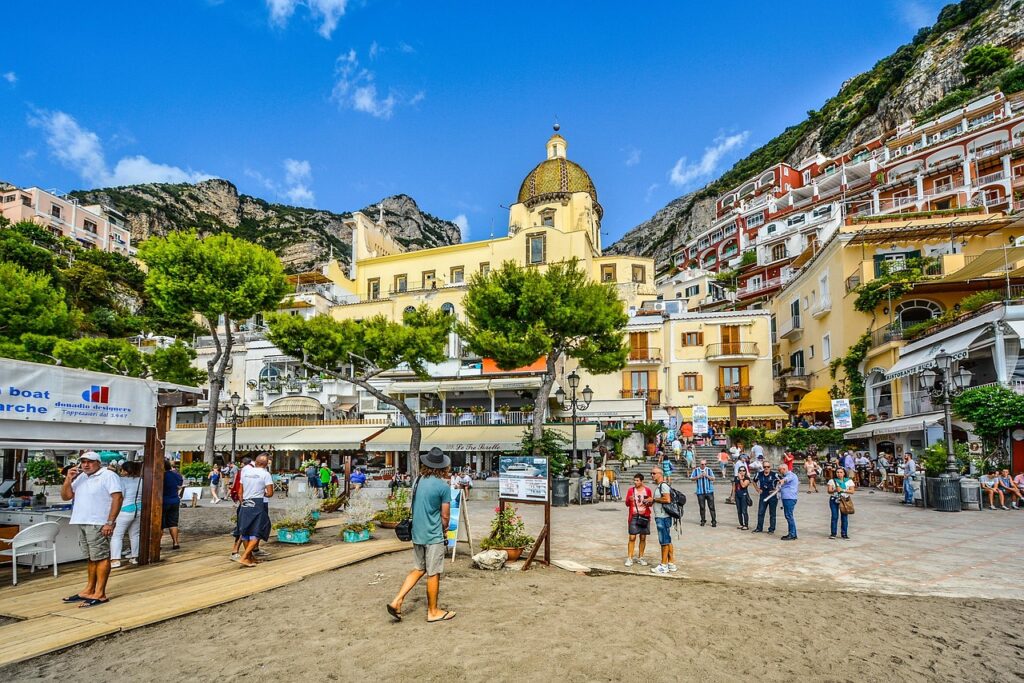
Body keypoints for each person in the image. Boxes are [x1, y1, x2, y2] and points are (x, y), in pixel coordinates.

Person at [388, 447, 455, 623]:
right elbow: (445, 516)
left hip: (417, 532)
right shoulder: (443, 486)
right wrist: (445, 529)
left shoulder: (418, 480)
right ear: (442, 467)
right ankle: (433, 612)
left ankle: (397, 600)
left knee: (419, 568)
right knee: (433, 573)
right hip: (433, 535)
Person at [60, 451, 123, 608]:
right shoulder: (81, 477)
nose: (86, 464)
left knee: (101, 556)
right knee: (91, 557)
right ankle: (89, 589)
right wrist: (68, 479)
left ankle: (100, 593)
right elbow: (66, 496)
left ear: (98, 463)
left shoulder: (108, 475)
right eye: (83, 462)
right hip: (82, 521)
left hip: (98, 522)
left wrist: (110, 522)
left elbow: (117, 497)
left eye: (90, 461)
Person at [236, 454, 275, 567]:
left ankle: (250, 557)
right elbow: (270, 493)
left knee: (245, 531)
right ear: (266, 464)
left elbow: (240, 492)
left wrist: (243, 501)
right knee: (259, 529)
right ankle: (244, 557)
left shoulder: (246, 473)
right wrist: (263, 493)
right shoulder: (265, 474)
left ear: (255, 462)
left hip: (245, 502)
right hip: (257, 502)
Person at [110, 461, 142, 569]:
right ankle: (135, 556)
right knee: (135, 535)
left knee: (117, 536)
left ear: (125, 471)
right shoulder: (141, 481)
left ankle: (115, 560)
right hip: (139, 509)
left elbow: (120, 496)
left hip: (125, 510)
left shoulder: (121, 480)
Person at [649, 468, 676, 574]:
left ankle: (663, 565)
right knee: (667, 540)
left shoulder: (663, 486)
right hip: (662, 516)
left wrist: (654, 500)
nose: (652, 475)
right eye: (651, 473)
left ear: (660, 474)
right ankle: (671, 563)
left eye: (654, 473)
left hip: (663, 517)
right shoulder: (659, 486)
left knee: (663, 541)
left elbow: (667, 499)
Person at [624, 474, 652, 567]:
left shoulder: (647, 490)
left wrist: (648, 501)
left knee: (643, 537)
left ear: (641, 481)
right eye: (634, 480)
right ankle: (630, 557)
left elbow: (650, 504)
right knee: (632, 537)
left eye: (637, 480)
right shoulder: (631, 490)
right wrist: (629, 499)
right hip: (634, 515)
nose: (635, 482)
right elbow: (627, 504)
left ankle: (641, 557)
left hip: (644, 516)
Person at [827, 466, 855, 539]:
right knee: (834, 516)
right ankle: (833, 533)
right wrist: (835, 490)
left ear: (844, 473)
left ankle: (844, 533)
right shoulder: (832, 481)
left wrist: (843, 490)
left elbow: (852, 491)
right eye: (837, 472)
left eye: (841, 472)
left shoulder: (849, 481)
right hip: (834, 499)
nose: (839, 474)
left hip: (844, 499)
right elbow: (829, 491)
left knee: (844, 517)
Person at [753, 461, 780, 534]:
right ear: (763, 467)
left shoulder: (775, 475)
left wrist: (776, 489)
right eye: (765, 467)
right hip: (763, 495)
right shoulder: (759, 474)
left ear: (770, 467)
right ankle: (759, 528)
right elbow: (753, 481)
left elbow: (782, 481)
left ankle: (771, 529)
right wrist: (757, 489)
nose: (766, 468)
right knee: (761, 512)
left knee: (772, 513)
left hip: (772, 496)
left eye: (768, 467)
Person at [162, 459, 183, 550]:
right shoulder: (176, 475)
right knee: (173, 523)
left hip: (163, 501)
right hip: (174, 500)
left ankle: (157, 544)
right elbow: (180, 485)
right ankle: (175, 542)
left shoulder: (161, 476)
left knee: (160, 524)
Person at [690, 459, 717, 527]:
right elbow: (691, 478)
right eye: (702, 464)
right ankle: (703, 520)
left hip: (709, 491)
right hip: (700, 492)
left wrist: (707, 476)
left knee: (711, 507)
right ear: (700, 464)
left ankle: (713, 521)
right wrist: (698, 477)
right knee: (702, 507)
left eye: (705, 464)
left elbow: (713, 478)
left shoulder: (709, 470)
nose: (704, 465)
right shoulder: (696, 470)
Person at [778, 463, 799, 541]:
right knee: (788, 516)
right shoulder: (787, 476)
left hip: (789, 498)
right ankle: (792, 533)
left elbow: (786, 479)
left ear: (783, 469)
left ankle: (792, 534)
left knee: (789, 516)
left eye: (780, 470)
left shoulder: (791, 475)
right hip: (787, 498)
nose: (779, 472)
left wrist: (783, 480)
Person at [733, 465, 752, 530]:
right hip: (737, 495)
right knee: (739, 511)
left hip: (744, 495)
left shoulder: (747, 478)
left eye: (743, 470)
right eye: (740, 470)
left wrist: (741, 479)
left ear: (745, 472)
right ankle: (741, 524)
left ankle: (746, 525)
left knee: (744, 511)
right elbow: (734, 487)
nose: (742, 472)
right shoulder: (736, 478)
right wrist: (732, 495)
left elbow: (743, 485)